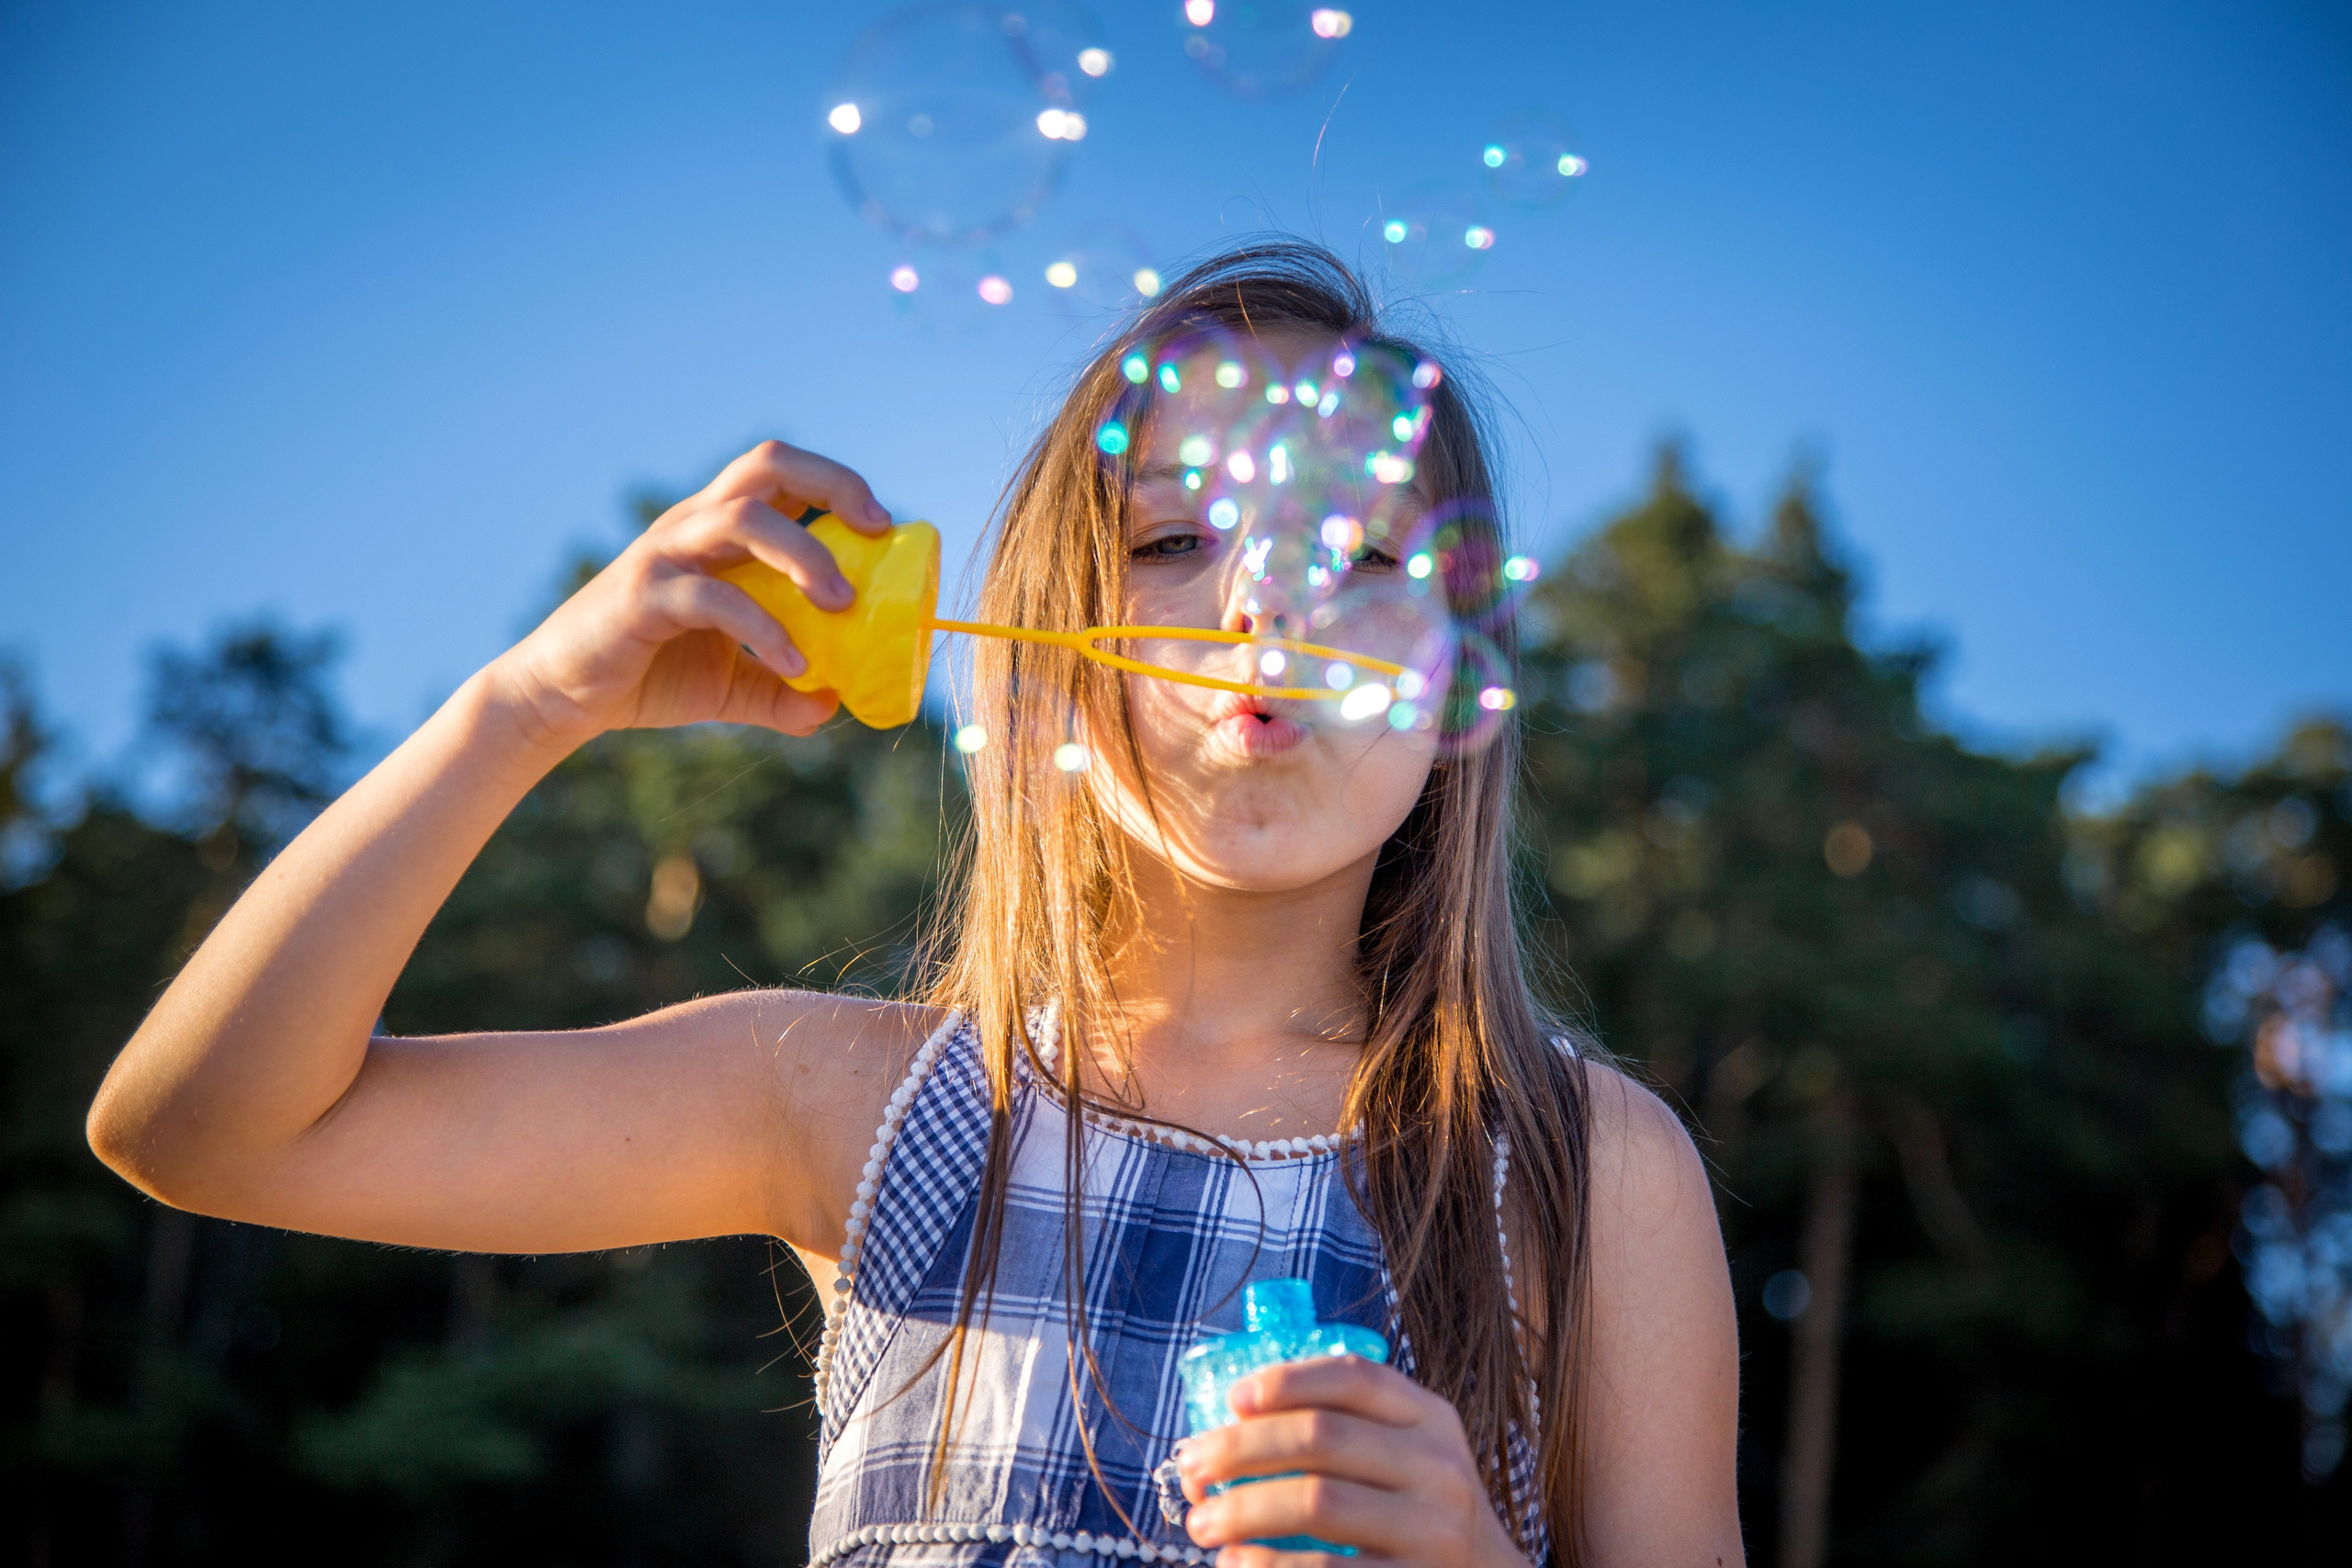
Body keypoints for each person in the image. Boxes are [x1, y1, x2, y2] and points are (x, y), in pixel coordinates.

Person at [87, 242, 1741, 1566]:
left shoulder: (1587, 1171)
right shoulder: (859, 1101)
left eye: (1364, 559)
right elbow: (212, 1132)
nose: (1263, 605)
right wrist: (528, 704)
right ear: (1046, 651)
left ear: (1462, 678)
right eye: (1174, 535)